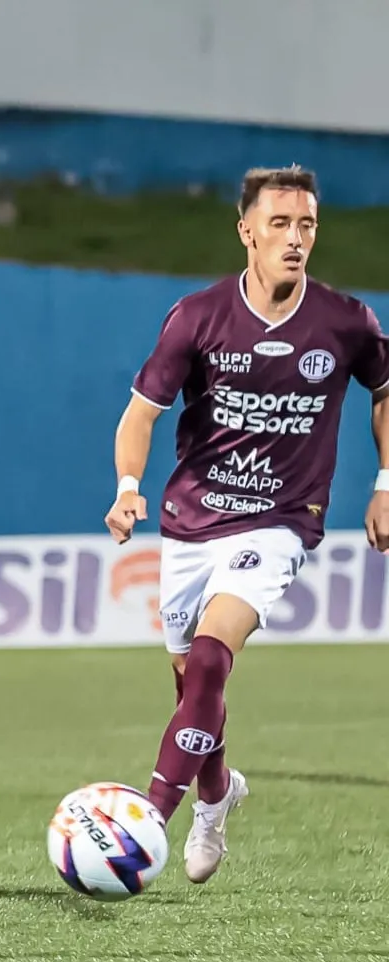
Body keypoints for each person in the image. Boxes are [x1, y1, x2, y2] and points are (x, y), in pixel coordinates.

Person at [106, 165, 389, 884]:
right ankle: (215, 791)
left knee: (210, 657)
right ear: (247, 232)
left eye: (308, 226)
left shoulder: (347, 321)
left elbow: (386, 392)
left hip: (281, 519)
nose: (296, 241)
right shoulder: (197, 316)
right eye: (280, 226)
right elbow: (142, 412)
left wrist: (385, 482)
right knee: (190, 684)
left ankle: (148, 818)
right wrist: (128, 487)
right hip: (191, 518)